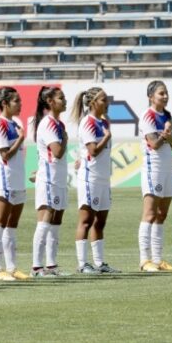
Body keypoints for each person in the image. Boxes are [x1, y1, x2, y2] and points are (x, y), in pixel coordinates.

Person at [71, 87, 119, 274]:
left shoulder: (102, 121)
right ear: (92, 103)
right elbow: (93, 150)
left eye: (106, 100)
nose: (107, 103)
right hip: (90, 177)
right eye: (103, 100)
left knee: (100, 221)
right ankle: (83, 264)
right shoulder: (88, 122)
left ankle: (99, 263)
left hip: (103, 177)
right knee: (86, 220)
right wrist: (106, 137)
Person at [0, 86, 30, 281]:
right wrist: (20, 139)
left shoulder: (15, 123)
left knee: (12, 226)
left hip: (18, 179)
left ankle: (12, 268)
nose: (20, 104)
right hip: (5, 180)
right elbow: (4, 155)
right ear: (4, 104)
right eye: (16, 101)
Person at [137, 81, 172, 272]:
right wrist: (167, 134)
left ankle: (158, 259)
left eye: (166, 93)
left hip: (167, 168)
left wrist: (170, 136)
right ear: (151, 97)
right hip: (152, 168)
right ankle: (144, 260)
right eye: (161, 93)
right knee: (150, 213)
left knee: (162, 214)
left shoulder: (168, 115)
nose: (165, 96)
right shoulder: (148, 116)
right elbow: (154, 143)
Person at [30, 86, 69, 277]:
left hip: (59, 178)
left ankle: (52, 265)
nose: (65, 100)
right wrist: (67, 139)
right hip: (49, 179)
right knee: (45, 220)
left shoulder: (58, 124)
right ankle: (37, 267)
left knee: (56, 221)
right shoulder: (48, 124)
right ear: (50, 102)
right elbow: (58, 152)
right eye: (61, 98)